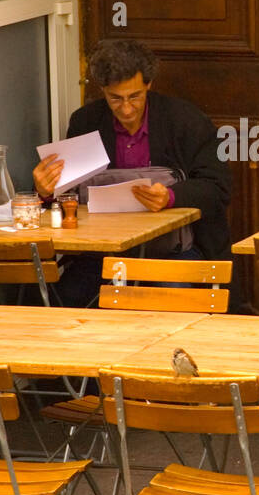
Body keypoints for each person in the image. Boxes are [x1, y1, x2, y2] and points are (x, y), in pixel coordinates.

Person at [34, 38, 235, 307]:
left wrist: (171, 197)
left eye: (135, 96)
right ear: (102, 89)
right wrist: (46, 193)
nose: (126, 109)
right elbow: (66, 195)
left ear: (149, 85)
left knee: (173, 301)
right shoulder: (86, 122)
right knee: (60, 301)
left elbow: (218, 187)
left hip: (172, 253)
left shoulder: (185, 121)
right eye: (115, 98)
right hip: (101, 254)